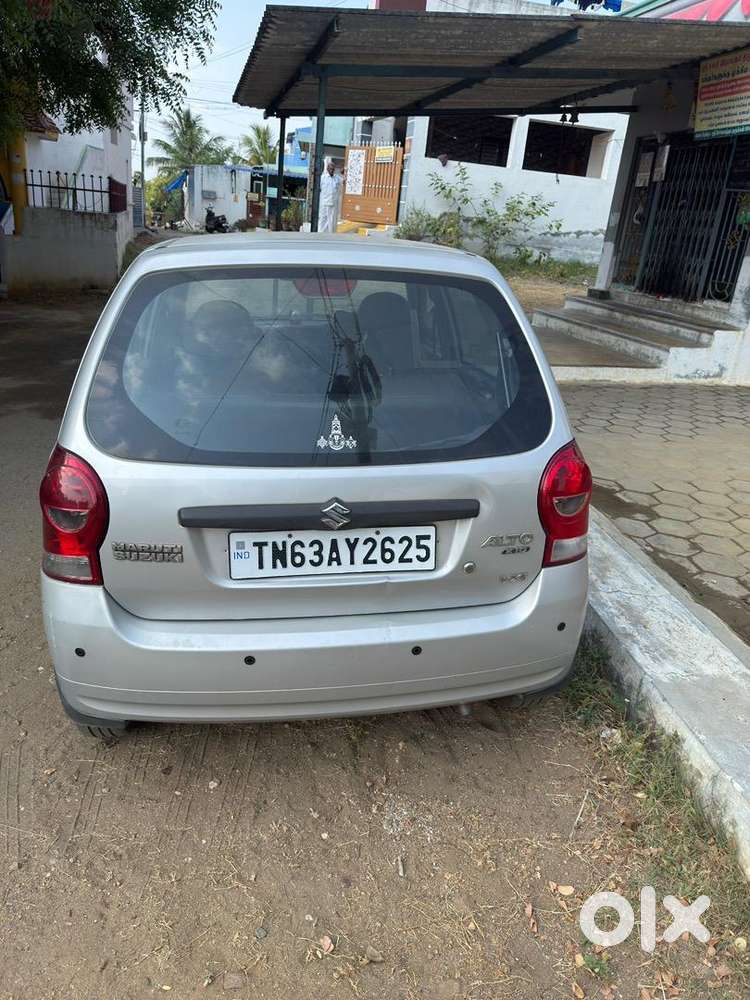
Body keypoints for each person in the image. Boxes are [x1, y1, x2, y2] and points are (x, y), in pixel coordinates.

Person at [318, 157, 343, 233]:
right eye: (330, 169)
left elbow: (344, 182)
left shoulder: (337, 178)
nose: (332, 170)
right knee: (323, 219)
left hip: (333, 203)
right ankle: (320, 234)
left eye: (333, 169)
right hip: (324, 203)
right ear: (328, 169)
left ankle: (331, 235)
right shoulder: (323, 178)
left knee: (332, 221)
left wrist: (344, 172)